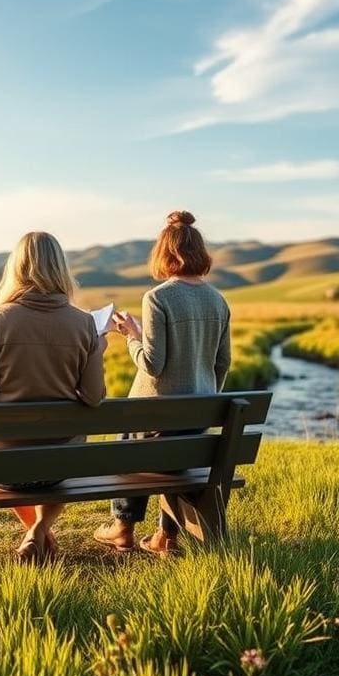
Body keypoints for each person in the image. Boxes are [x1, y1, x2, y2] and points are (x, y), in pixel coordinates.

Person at [0, 231, 107, 563]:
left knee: (10, 451)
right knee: (58, 451)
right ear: (61, 269)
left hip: (7, 465)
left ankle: (35, 534)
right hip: (63, 463)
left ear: (17, 268)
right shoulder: (84, 324)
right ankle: (38, 532)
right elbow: (94, 398)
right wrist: (98, 349)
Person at [93, 210, 231, 556]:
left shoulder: (158, 298)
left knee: (129, 438)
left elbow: (152, 365)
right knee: (171, 453)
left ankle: (122, 527)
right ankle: (165, 538)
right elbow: (222, 362)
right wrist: (204, 396)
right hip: (197, 421)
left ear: (164, 254)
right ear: (199, 253)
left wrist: (132, 336)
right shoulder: (218, 300)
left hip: (156, 423)